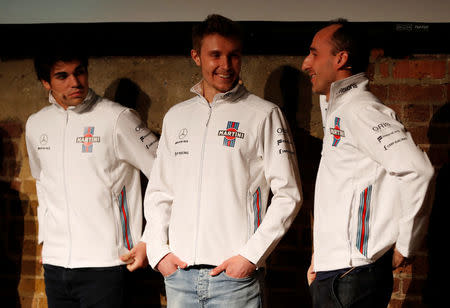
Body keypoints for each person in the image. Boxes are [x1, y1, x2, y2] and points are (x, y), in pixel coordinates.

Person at [141, 14, 302, 308]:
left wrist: (250, 256)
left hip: (235, 279)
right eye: (215, 55)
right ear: (196, 57)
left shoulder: (263, 114)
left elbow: (288, 194)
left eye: (234, 56)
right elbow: (160, 193)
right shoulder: (177, 117)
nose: (226, 66)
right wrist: (159, 253)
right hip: (179, 277)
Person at [301, 19, 434, 307]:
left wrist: (405, 245)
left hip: (352, 275)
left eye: (314, 53)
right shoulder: (339, 109)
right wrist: (320, 257)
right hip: (336, 272)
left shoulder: (360, 109)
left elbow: (418, 170)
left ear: (340, 58)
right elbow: (343, 188)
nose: (305, 63)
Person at [25, 55, 158, 307]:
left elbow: (165, 176)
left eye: (80, 72)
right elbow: (42, 182)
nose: (75, 82)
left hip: (107, 265)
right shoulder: (36, 124)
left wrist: (149, 239)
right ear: (45, 82)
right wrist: (46, 240)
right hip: (56, 265)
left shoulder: (117, 118)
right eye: (62, 76)